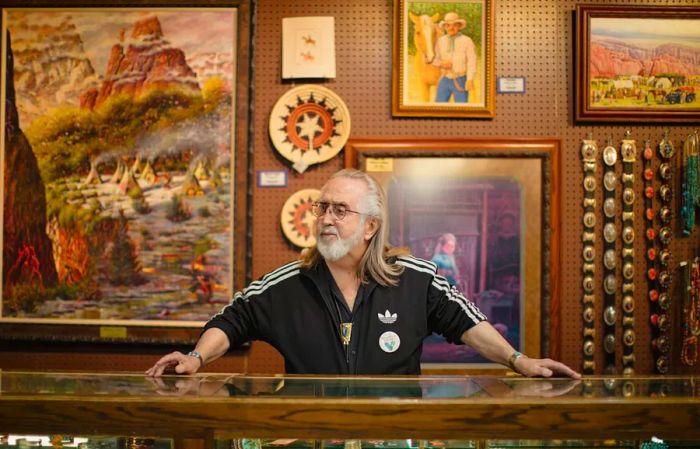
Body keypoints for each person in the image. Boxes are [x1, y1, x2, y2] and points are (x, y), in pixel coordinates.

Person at [146, 169, 580, 378]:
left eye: (341, 210)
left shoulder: (416, 278)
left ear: (371, 225)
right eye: (323, 207)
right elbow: (233, 318)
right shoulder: (286, 284)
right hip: (316, 444)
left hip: (391, 443)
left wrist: (519, 361)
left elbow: (466, 322)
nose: (326, 219)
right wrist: (196, 357)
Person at [432, 11, 477, 103]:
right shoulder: (440, 41)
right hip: (444, 79)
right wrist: (441, 63)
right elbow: (434, 60)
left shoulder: (467, 40)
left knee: (462, 108)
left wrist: (469, 79)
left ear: (459, 26)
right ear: (445, 27)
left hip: (461, 80)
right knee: (439, 107)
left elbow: (472, 61)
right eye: (448, 25)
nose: (451, 28)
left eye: (454, 25)